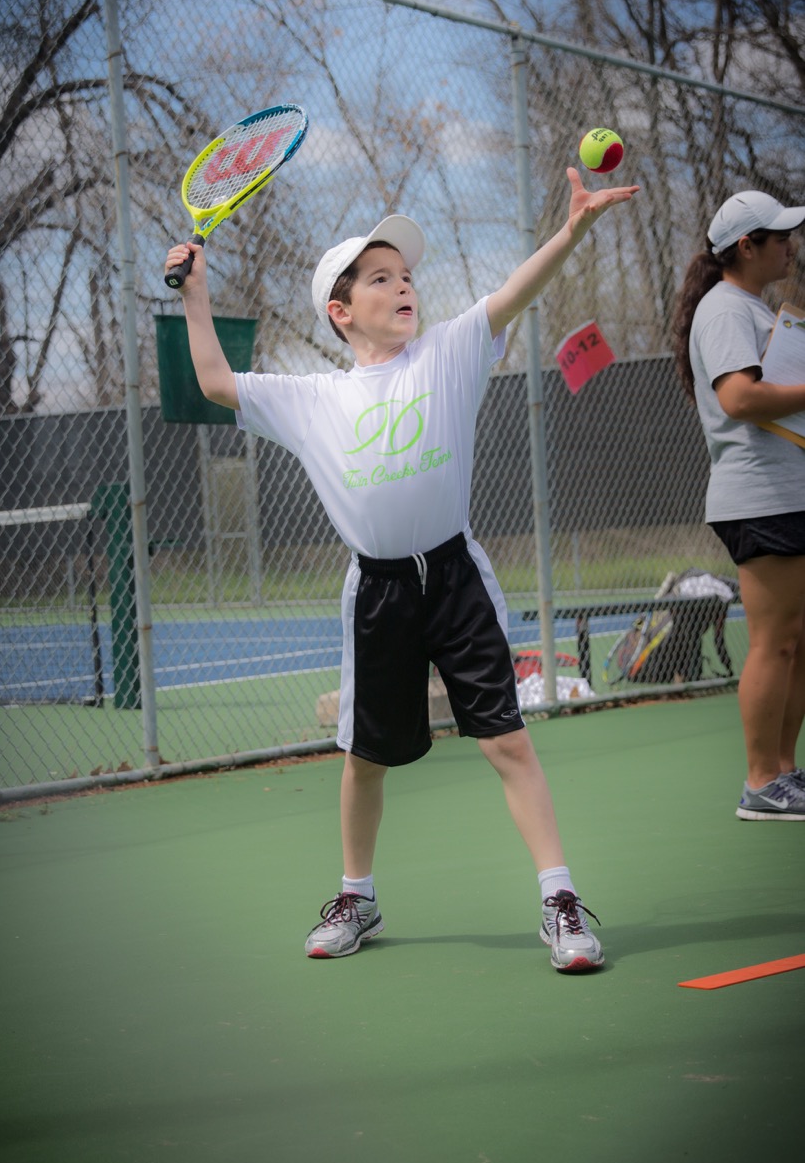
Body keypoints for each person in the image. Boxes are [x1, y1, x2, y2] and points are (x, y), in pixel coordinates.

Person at [165, 166, 639, 969]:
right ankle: (359, 895)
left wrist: (572, 231)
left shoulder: (450, 352)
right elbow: (213, 381)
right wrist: (195, 295)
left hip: (455, 578)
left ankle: (560, 902)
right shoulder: (312, 398)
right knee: (365, 758)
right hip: (377, 593)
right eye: (380, 278)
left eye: (407, 274)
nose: (404, 285)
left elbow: (514, 293)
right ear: (341, 311)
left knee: (507, 743)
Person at [672, 189, 805, 821]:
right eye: (779, 238)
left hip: (785, 495)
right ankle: (761, 782)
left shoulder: (751, 307)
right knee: (774, 643)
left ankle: (783, 773)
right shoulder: (725, 310)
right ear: (745, 247)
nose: (790, 245)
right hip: (758, 498)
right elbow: (741, 399)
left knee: (795, 642)